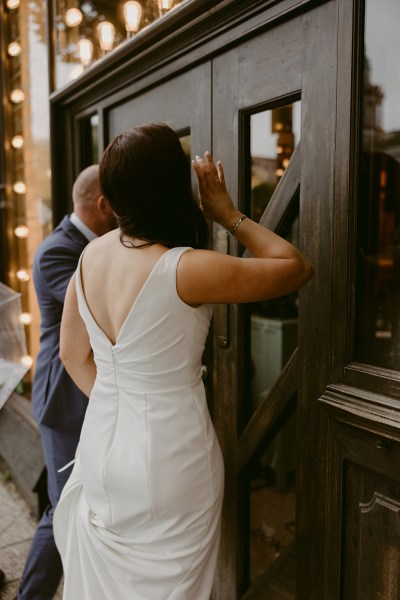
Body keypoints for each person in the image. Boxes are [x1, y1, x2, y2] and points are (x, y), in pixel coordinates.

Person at [54, 123, 313, 599]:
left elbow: (72, 354)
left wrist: (125, 404)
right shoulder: (185, 268)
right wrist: (228, 214)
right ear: (175, 188)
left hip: (100, 447)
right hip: (170, 457)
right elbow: (295, 267)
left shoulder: (90, 256)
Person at [18, 165, 116, 600]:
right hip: (64, 400)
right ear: (103, 205)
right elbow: (100, 308)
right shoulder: (57, 251)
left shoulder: (89, 246)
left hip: (90, 397)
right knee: (65, 509)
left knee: (72, 505)